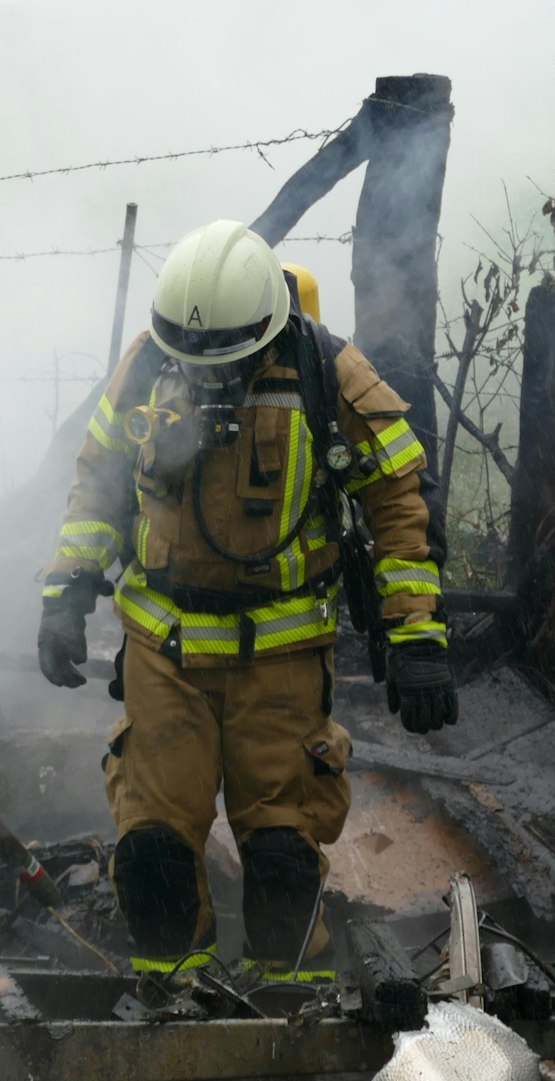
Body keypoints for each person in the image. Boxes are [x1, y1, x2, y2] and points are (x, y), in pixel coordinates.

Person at [35, 220, 457, 980]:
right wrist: (66, 588)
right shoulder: (150, 363)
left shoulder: (325, 371)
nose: (205, 376)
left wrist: (416, 634)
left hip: (281, 663)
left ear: (262, 333)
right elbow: (97, 480)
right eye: (191, 361)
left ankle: (292, 1020)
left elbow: (400, 498)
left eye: (221, 362)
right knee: (154, 856)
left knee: (282, 865)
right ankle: (174, 1007)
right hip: (165, 656)